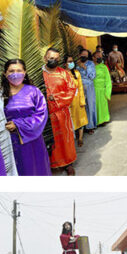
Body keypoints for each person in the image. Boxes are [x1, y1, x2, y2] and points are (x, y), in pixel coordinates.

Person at [2, 59, 51, 175]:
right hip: (8, 142)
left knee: (35, 169)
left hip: (32, 140)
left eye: (19, 70)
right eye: (11, 71)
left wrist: (18, 124)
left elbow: (41, 116)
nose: (15, 73)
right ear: (5, 74)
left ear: (25, 72)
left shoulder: (34, 92)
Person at [41, 47, 78, 175]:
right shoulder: (39, 74)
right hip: (45, 115)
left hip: (62, 113)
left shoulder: (64, 73)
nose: (53, 61)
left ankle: (68, 163)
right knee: (50, 141)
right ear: (45, 58)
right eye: (51, 58)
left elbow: (72, 90)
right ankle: (50, 165)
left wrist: (55, 98)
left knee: (65, 139)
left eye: (56, 59)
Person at [67, 54, 87, 147]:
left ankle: (80, 138)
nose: (71, 63)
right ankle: (71, 139)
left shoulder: (77, 73)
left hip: (77, 99)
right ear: (64, 63)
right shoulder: (63, 74)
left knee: (80, 119)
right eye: (69, 61)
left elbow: (80, 87)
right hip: (68, 101)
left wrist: (82, 100)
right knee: (71, 120)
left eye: (72, 61)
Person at [78, 49, 98, 133]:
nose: (84, 57)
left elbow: (92, 76)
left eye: (86, 55)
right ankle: (81, 127)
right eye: (83, 55)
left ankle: (90, 126)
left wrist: (84, 67)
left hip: (89, 87)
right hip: (78, 87)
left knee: (90, 106)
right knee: (81, 107)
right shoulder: (75, 64)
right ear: (79, 55)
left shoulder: (90, 63)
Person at [93, 49, 112, 126]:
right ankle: (96, 121)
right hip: (93, 90)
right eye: (98, 56)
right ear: (93, 58)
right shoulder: (90, 67)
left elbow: (108, 80)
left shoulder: (104, 67)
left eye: (100, 57)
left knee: (103, 106)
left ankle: (104, 120)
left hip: (102, 90)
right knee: (95, 106)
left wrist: (107, 92)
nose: (99, 58)